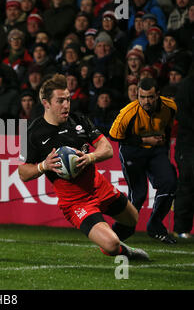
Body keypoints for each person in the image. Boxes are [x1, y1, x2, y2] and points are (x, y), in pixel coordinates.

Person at [18, 74, 149, 260]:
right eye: (60, 101)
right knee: (112, 245)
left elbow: (107, 149)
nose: (66, 105)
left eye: (68, 100)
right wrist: (43, 165)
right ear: (46, 103)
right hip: (76, 202)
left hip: (99, 187)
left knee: (132, 219)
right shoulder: (32, 133)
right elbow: (22, 173)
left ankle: (109, 239)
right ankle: (120, 250)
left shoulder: (79, 120)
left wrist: (89, 158)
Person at [109, 78, 178, 244]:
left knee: (170, 183)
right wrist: (145, 141)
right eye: (142, 97)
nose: (146, 101)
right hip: (132, 152)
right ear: (137, 95)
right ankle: (121, 231)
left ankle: (155, 224)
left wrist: (163, 144)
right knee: (138, 194)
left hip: (156, 151)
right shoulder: (127, 113)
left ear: (158, 95)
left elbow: (168, 128)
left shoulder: (170, 107)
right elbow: (114, 136)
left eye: (150, 97)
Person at [173, 75, 194, 239]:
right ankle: (182, 229)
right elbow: (181, 114)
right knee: (187, 184)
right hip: (188, 144)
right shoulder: (188, 84)